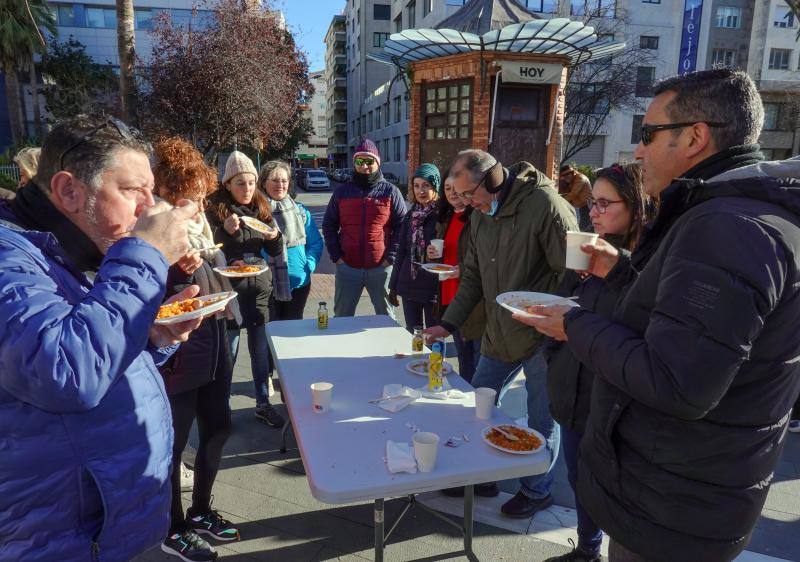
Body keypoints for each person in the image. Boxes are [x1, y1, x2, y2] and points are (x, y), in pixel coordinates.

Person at [523, 69, 800, 562]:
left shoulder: (726, 227)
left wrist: (572, 324)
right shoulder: (738, 215)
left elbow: (675, 382)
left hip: (674, 503)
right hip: (690, 488)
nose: (637, 150)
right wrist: (623, 271)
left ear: (695, 137)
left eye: (648, 134)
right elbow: (691, 326)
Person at [0, 115, 202, 561]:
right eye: (133, 190)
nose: (151, 208)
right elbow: (66, 372)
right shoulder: (11, 258)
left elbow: (90, 342)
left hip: (115, 528)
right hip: (63, 539)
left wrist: (148, 335)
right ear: (69, 191)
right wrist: (145, 254)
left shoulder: (77, 248)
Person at [426, 149, 578, 511]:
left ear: (492, 180)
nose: (463, 203)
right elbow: (474, 277)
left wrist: (562, 323)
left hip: (544, 336)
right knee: (480, 402)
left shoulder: (545, 206)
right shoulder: (479, 216)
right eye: (457, 196)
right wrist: (448, 323)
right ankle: (485, 476)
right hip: (499, 331)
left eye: (468, 194)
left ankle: (537, 491)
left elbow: (575, 273)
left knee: (542, 418)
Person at [540, 163, 654, 562]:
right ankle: (587, 549)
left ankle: (605, 549)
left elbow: (643, 328)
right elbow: (567, 305)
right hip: (572, 389)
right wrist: (551, 345)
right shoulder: (588, 251)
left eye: (605, 203)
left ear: (636, 206)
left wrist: (617, 266)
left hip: (611, 400)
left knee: (606, 487)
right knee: (577, 480)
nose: (594, 212)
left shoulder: (650, 262)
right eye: (592, 203)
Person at [153, 138, 243, 562]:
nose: (200, 204)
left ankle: (202, 510)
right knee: (173, 444)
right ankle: (173, 528)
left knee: (219, 426)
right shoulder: (153, 224)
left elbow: (209, 268)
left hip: (216, 332)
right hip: (181, 345)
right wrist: (174, 265)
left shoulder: (199, 228)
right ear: (170, 192)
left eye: (204, 194)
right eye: (193, 195)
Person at [207, 151, 285, 428]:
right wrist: (223, 232)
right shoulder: (215, 209)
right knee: (229, 352)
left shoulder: (262, 207)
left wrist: (275, 236)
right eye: (240, 183)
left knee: (260, 351)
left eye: (251, 182)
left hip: (259, 289)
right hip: (230, 291)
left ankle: (263, 404)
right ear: (228, 184)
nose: (248, 189)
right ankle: (221, 408)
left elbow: (275, 249)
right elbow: (206, 249)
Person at [322, 139, 406, 317]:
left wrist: (390, 258)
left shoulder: (391, 192)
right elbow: (329, 224)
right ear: (354, 164)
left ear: (377, 162)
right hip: (348, 267)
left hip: (380, 268)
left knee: (386, 319)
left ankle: (388, 346)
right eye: (360, 161)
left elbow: (402, 228)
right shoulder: (342, 192)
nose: (365, 166)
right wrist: (337, 258)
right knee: (342, 318)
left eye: (369, 161)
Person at [430, 172, 485, 383]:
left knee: (479, 365)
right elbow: (448, 252)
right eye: (447, 189)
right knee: (464, 361)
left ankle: (478, 406)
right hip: (450, 294)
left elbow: (482, 256)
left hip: (473, 298)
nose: (453, 193)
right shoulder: (446, 216)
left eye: (456, 188)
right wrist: (433, 254)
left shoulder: (476, 217)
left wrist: (462, 268)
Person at [258, 160, 323, 320]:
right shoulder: (257, 214)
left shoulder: (301, 211)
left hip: (299, 284)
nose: (280, 184)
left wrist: (309, 266)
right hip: (266, 286)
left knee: (292, 333)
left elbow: (315, 243)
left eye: (284, 180)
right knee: (268, 333)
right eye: (274, 180)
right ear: (264, 183)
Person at [388, 163, 441, 330]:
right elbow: (402, 251)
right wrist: (393, 286)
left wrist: (441, 253)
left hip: (432, 288)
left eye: (426, 185)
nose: (421, 191)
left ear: (436, 187)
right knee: (413, 333)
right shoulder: (411, 215)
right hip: (409, 286)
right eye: (417, 186)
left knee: (433, 337)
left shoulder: (442, 215)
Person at [559, 164, 592, 231]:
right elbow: (565, 192)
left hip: (587, 206)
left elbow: (573, 194)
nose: (566, 177)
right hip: (581, 206)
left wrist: (559, 202)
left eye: (568, 175)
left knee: (584, 227)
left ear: (572, 173)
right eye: (564, 176)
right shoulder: (572, 180)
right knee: (581, 225)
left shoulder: (580, 178)